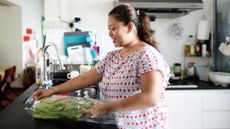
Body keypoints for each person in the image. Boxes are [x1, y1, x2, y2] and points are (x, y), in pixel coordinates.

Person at [33, 4, 170, 129]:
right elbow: (85, 78)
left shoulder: (147, 55)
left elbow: (150, 97)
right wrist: (53, 90)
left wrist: (105, 107)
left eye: (113, 28)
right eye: (109, 29)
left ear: (129, 27)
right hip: (116, 125)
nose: (110, 33)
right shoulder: (112, 56)